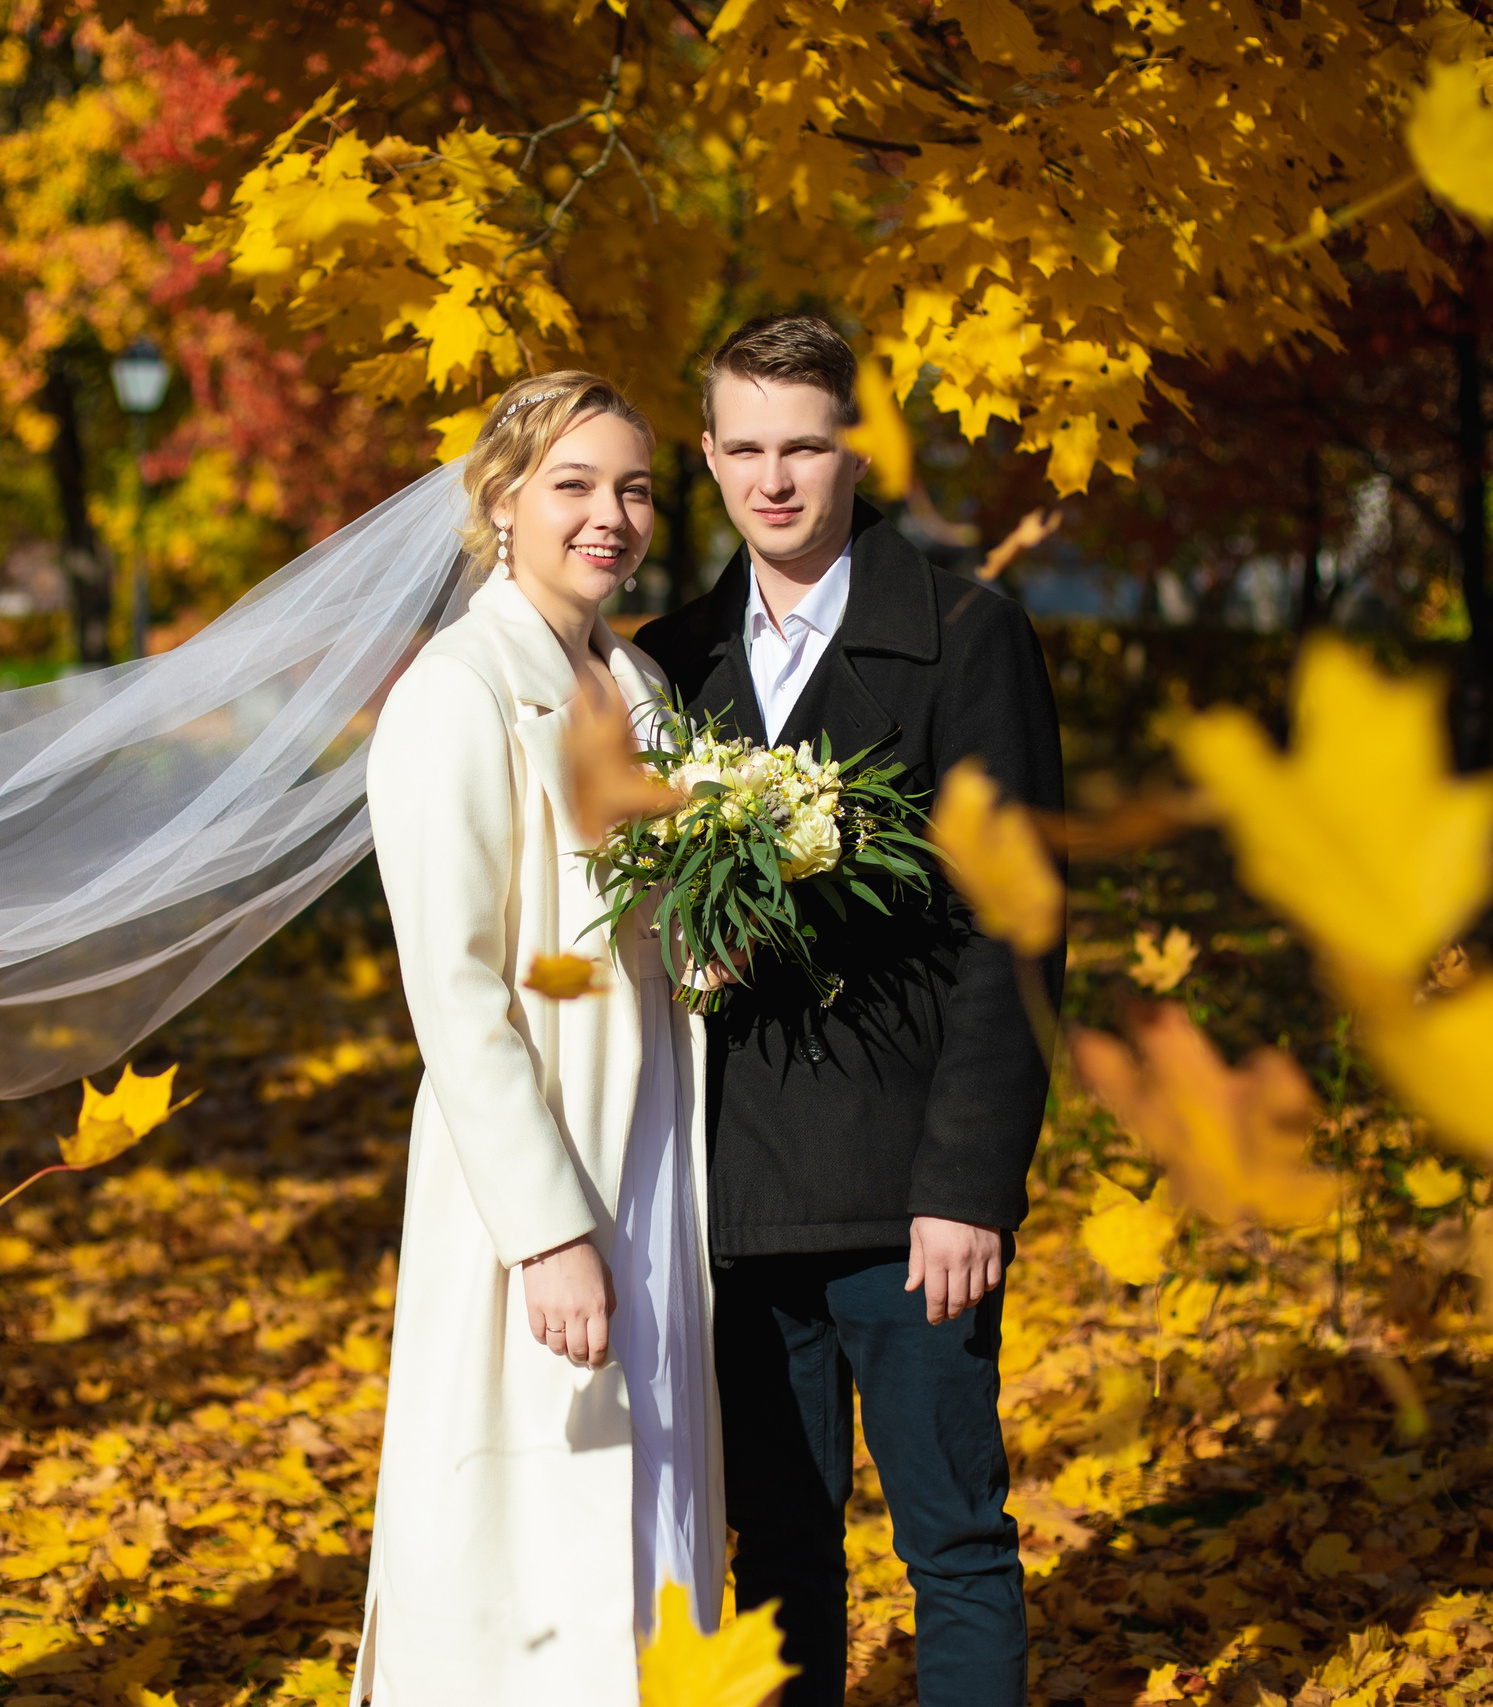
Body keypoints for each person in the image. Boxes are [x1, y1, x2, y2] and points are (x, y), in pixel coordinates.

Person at [635, 315, 1065, 1707]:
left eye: (804, 447)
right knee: (778, 1557)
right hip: (736, 1197)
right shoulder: (668, 660)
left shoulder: (964, 637)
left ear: (855, 451)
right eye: (746, 448)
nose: (775, 481)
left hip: (909, 1196)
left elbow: (1015, 932)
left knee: (952, 1541)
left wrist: (970, 1184)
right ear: (707, 457)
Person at [355, 372, 722, 1704]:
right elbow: (455, 983)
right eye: (572, 485)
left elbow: (643, 916)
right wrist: (546, 1229)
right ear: (501, 500)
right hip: (536, 1156)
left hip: (655, 1133)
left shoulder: (640, 686)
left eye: (630, 487)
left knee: (653, 1488)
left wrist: (711, 938)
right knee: (523, 1510)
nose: (608, 516)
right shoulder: (457, 692)